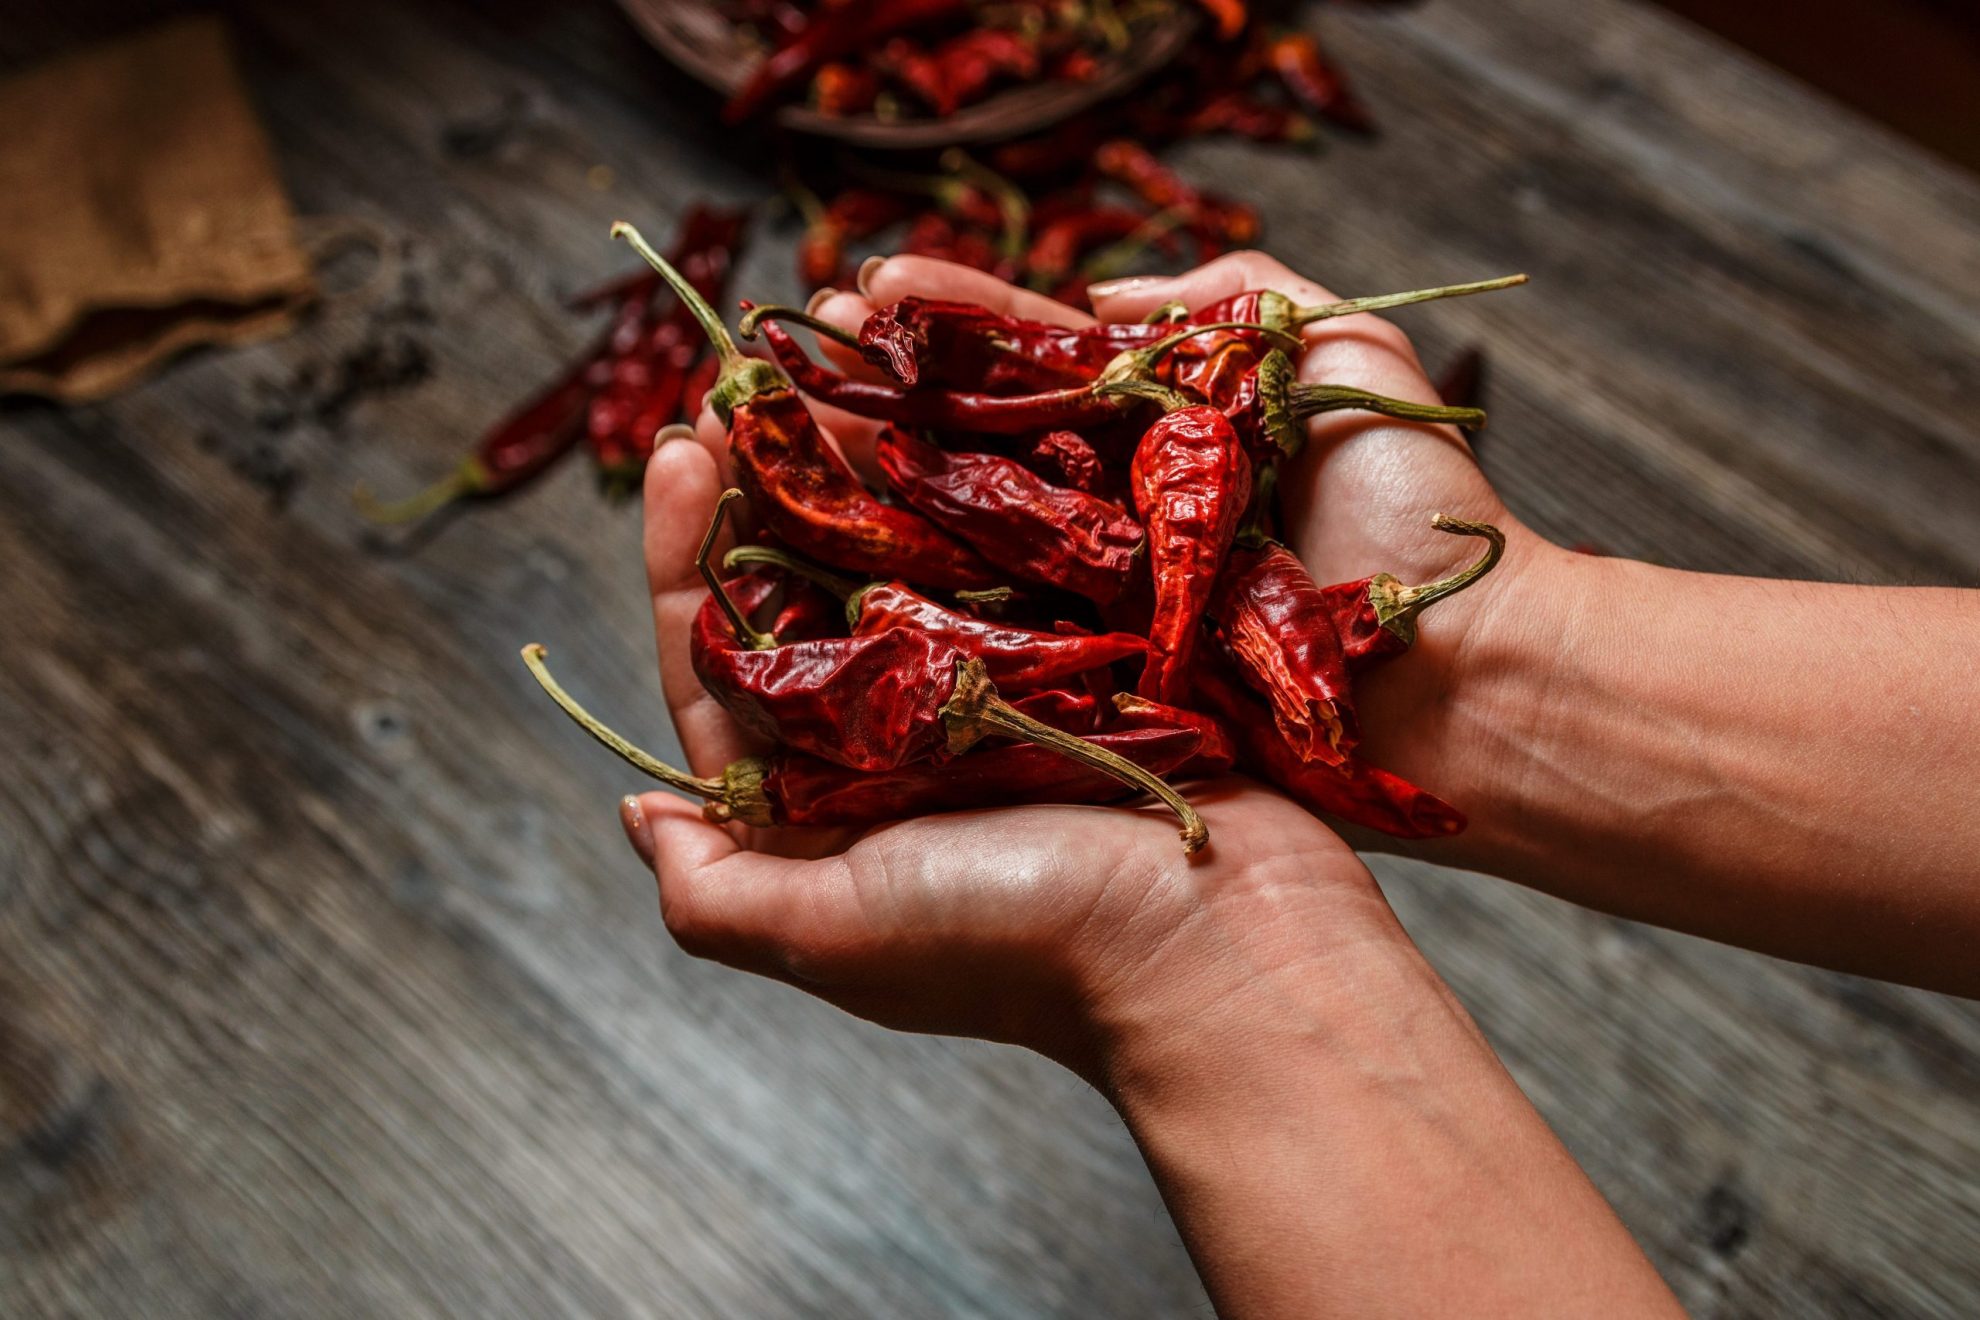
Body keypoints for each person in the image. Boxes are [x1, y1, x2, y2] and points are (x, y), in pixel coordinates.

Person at [615, 251, 1980, 1317]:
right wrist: (1495, 680)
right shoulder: (1051, 479)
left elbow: (1068, 540)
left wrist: (1175, 951)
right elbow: (978, 482)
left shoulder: (1156, 483)